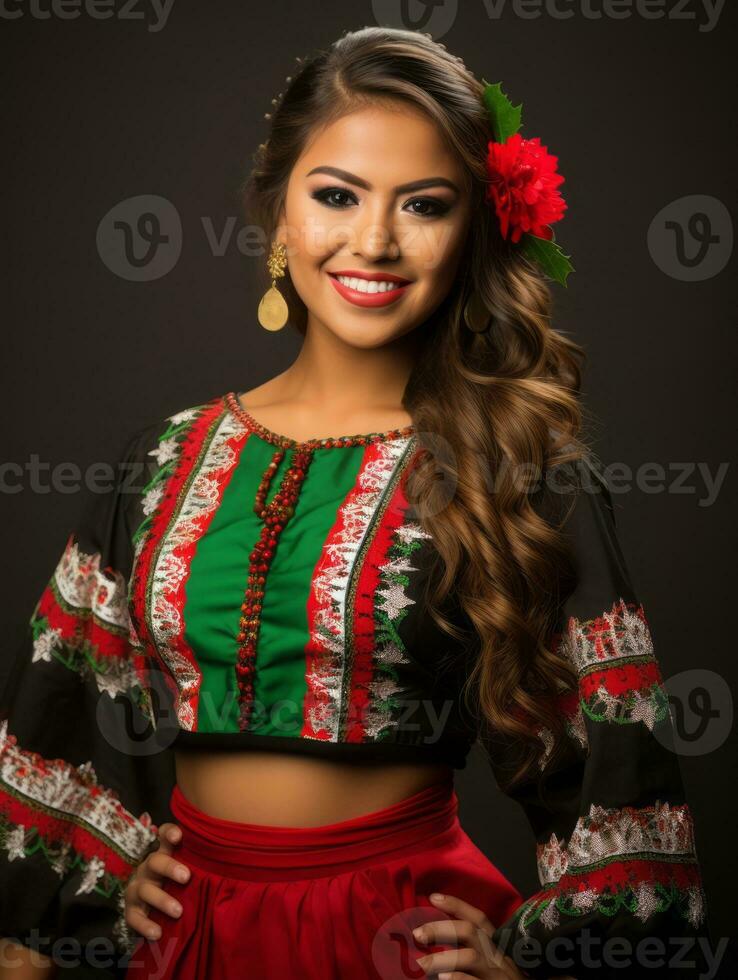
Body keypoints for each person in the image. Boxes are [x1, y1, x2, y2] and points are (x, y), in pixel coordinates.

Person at [0, 26, 713, 980]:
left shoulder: (515, 469)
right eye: (336, 194)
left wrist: (527, 961)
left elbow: (618, 786)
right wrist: (66, 918)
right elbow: (69, 722)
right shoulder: (164, 457)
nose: (373, 240)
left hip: (395, 940)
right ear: (279, 211)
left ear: (476, 232)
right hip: (187, 937)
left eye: (423, 205)